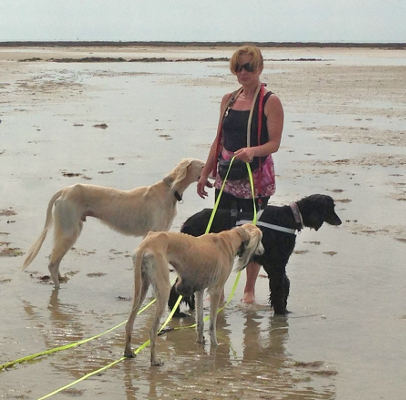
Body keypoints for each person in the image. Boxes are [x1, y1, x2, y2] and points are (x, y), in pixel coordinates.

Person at [197, 45, 284, 304]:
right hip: (226, 176)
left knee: (251, 234)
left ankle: (249, 290)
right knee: (221, 233)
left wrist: (252, 151)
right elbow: (219, 139)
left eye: (249, 67)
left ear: (260, 68)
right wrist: (205, 173)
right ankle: (219, 289)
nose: (243, 72)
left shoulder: (270, 101)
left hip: (255, 179)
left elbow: (274, 144)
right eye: (238, 67)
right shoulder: (229, 99)